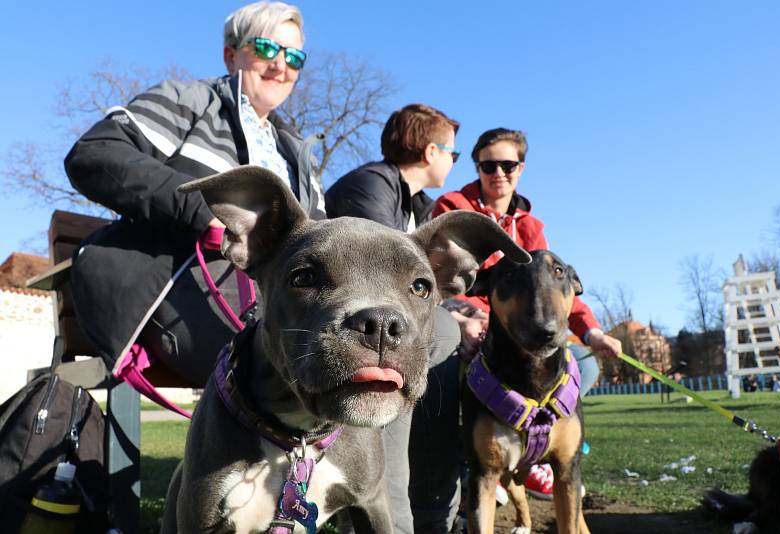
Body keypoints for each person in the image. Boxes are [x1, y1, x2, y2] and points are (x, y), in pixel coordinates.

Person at [64, 1, 324, 388]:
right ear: (231, 55)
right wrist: (203, 212)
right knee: (310, 357)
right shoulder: (192, 102)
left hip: (283, 294)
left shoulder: (296, 153)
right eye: (267, 49)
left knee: (421, 333)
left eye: (294, 56)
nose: (280, 65)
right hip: (185, 282)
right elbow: (96, 152)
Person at [433, 127, 622, 499]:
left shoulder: (532, 227)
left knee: (583, 363)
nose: (498, 173)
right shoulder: (454, 209)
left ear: (520, 168)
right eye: (489, 166)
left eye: (508, 165)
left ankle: (547, 448)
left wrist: (592, 333)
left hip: (522, 328)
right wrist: (475, 315)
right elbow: (448, 278)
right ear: (477, 168)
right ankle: (480, 459)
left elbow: (553, 293)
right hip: (471, 320)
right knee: (467, 367)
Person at [326, 104, 463, 534]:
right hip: (343, 331)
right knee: (430, 340)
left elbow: (423, 287)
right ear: (430, 151)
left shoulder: (418, 206)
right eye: (452, 154)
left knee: (449, 348)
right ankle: (388, 518)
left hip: (386, 330)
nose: (452, 163)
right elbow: (380, 284)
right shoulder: (369, 186)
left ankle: (434, 511)